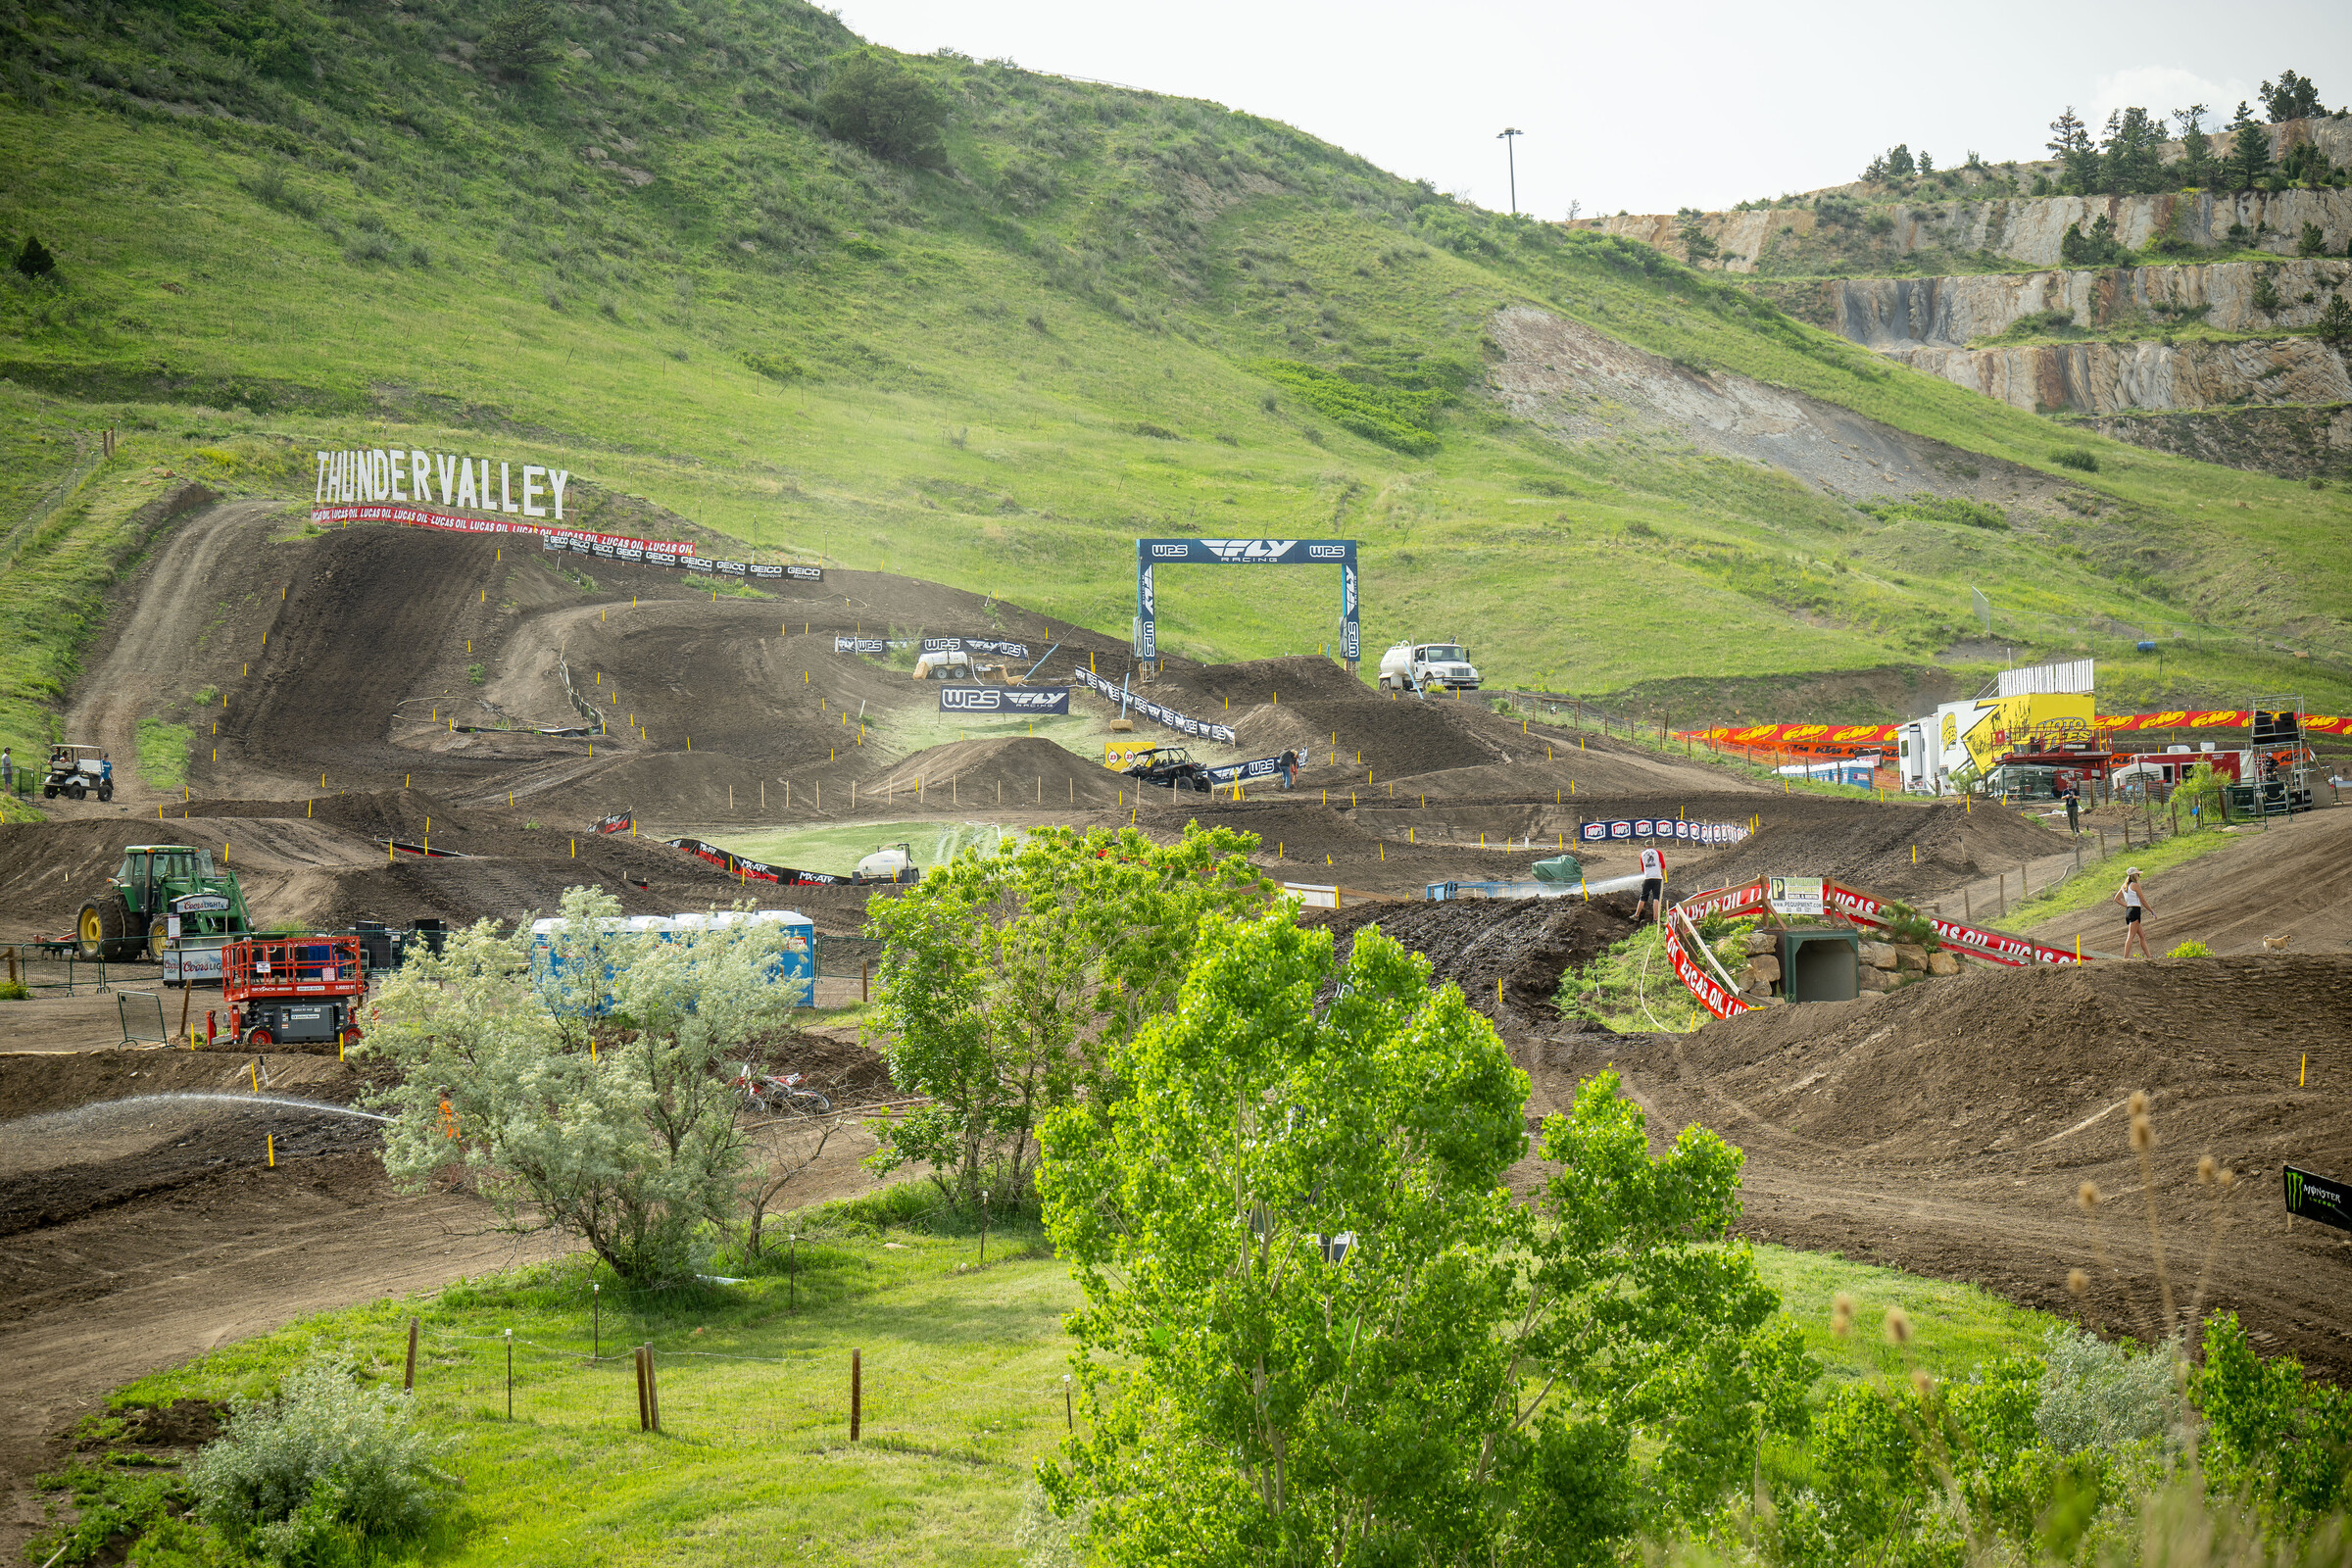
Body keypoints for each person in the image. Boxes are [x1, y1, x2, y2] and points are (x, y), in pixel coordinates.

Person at [2111, 867, 2152, 958]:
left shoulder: (2124, 886)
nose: (2139, 877)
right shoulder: (2135, 885)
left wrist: (2127, 906)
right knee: (2131, 935)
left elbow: (2116, 899)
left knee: (2142, 935)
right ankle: (2125, 958)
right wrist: (2151, 911)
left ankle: (2149, 957)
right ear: (2135, 875)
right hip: (2135, 910)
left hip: (2129, 910)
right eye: (2138, 875)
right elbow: (2143, 900)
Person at [1635, 841, 1667, 925]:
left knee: (1643, 897)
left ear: (1646, 846)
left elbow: (1642, 868)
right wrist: (1661, 875)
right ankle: (1655, 919)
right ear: (1653, 845)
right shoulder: (1658, 852)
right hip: (1657, 877)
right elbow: (1663, 865)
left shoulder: (1642, 854)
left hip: (1648, 877)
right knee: (1656, 898)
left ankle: (1636, 915)